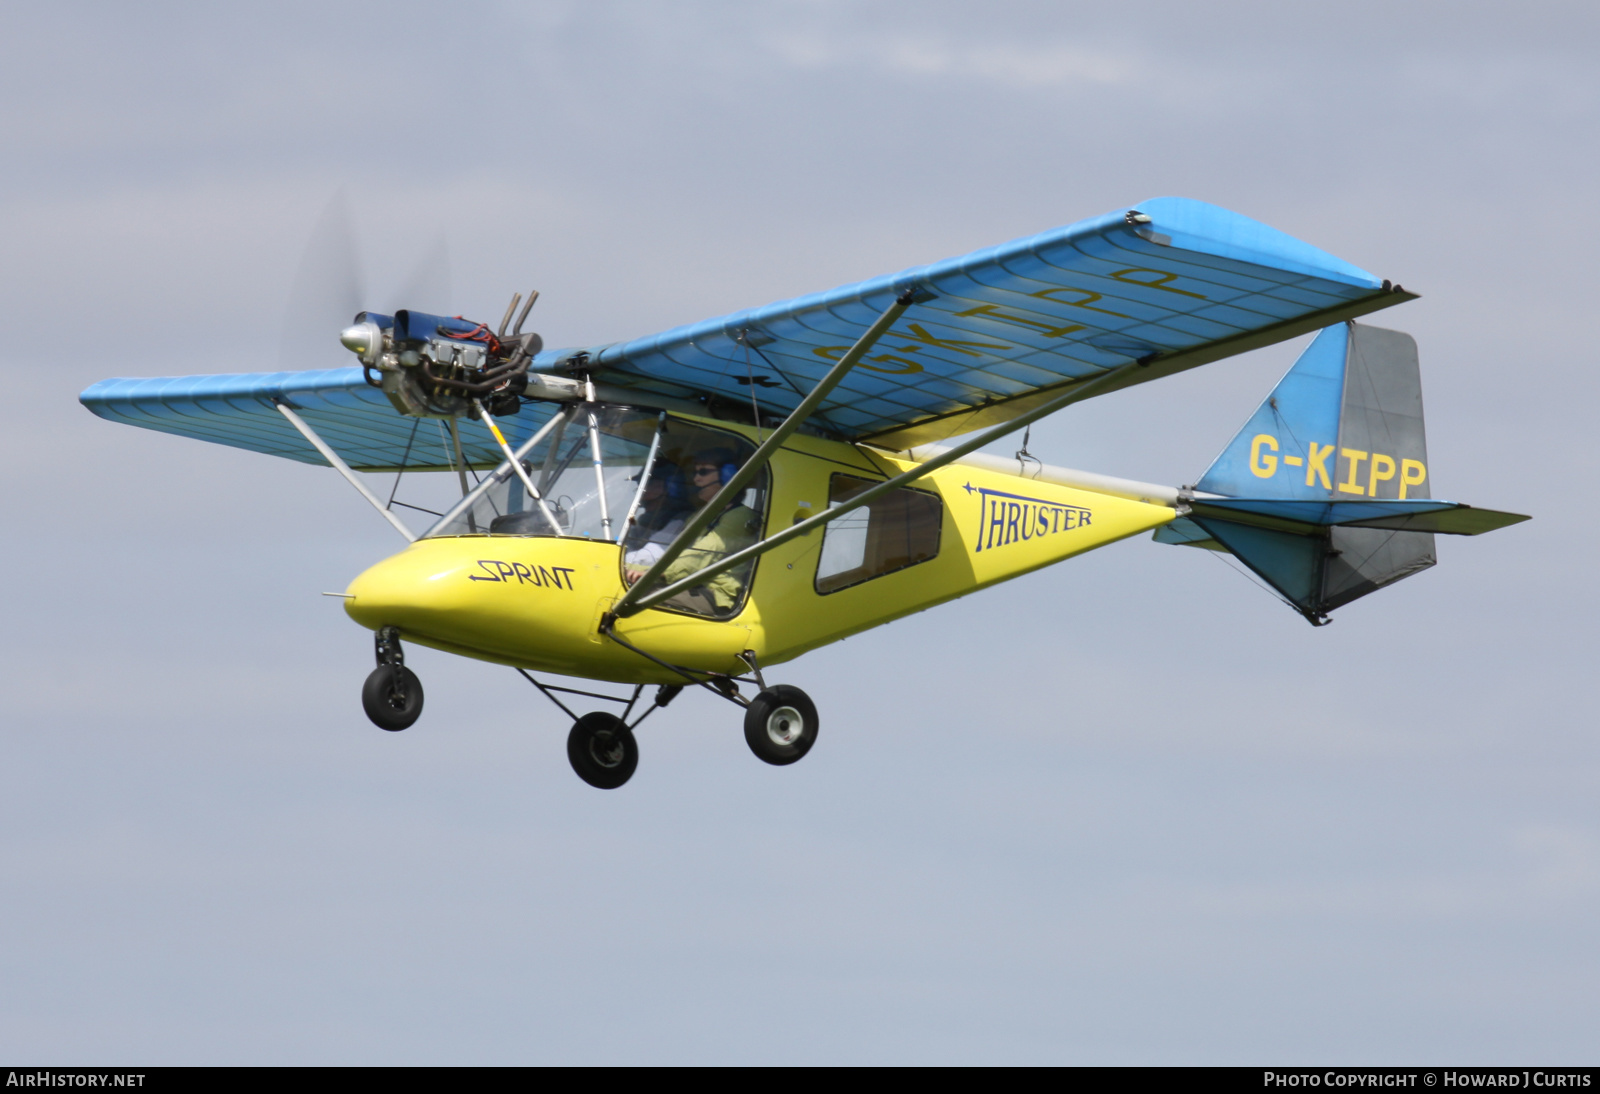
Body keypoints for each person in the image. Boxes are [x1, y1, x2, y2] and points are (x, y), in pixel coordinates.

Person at [627, 448, 762, 614]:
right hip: (685, 586)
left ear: (728, 475)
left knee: (632, 596)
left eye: (703, 472)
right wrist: (623, 566)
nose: (696, 479)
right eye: (696, 472)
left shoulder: (740, 517)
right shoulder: (699, 516)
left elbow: (700, 556)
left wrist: (651, 574)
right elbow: (669, 552)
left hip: (712, 594)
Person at [621, 459, 688, 581]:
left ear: (666, 487)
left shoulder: (679, 520)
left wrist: (610, 561)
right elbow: (628, 547)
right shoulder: (645, 520)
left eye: (646, 484)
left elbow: (650, 557)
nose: (640, 490)